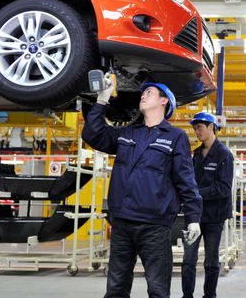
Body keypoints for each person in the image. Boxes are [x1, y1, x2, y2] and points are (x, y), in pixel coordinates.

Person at [83, 80, 203, 298]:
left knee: (157, 289)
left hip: (154, 226)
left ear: (164, 100)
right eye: (143, 93)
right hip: (122, 222)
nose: (143, 96)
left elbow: (186, 179)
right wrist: (102, 100)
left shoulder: (175, 137)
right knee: (116, 288)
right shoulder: (127, 133)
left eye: (149, 92)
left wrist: (194, 217)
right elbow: (93, 135)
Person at [182, 112, 234, 298]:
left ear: (212, 127)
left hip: (214, 216)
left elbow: (224, 188)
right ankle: (187, 295)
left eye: (200, 127)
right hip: (194, 215)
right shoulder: (196, 154)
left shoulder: (224, 155)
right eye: (195, 128)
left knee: (211, 260)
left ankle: (209, 295)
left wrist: (196, 194)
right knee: (188, 259)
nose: (197, 131)